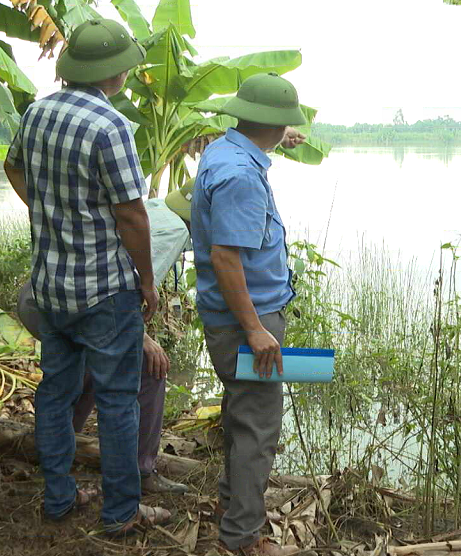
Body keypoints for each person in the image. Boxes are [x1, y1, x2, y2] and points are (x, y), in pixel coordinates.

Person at [3, 18, 169, 535]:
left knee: (56, 391)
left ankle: (58, 498)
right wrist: (146, 280)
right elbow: (133, 215)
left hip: (51, 286)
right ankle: (121, 512)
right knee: (118, 402)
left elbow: (12, 168)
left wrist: (50, 212)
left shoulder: (37, 112)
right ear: (115, 73)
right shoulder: (110, 125)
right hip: (103, 291)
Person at [191, 72, 307, 556]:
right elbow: (226, 259)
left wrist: (278, 138)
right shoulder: (241, 175)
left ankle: (232, 510)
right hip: (246, 321)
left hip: (232, 319)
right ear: (276, 123)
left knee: (243, 416)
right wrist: (257, 330)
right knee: (259, 428)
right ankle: (240, 540)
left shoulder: (225, 150)